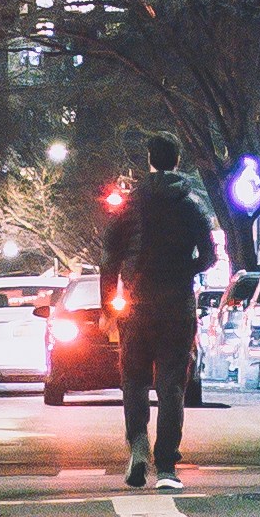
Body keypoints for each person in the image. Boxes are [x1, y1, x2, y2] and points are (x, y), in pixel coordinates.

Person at [97, 132, 217, 487]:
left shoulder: (131, 206)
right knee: (171, 386)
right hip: (177, 305)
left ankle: (137, 448)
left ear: (149, 160)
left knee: (133, 380)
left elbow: (109, 259)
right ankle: (166, 466)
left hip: (136, 304)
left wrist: (108, 306)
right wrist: (184, 270)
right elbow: (209, 256)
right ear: (177, 160)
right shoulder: (190, 205)